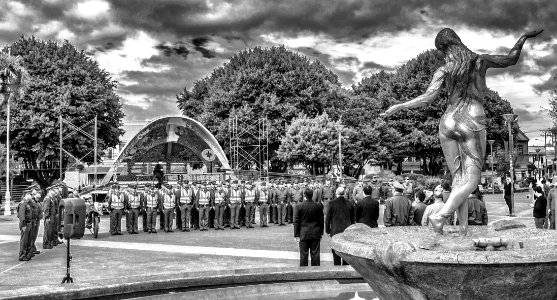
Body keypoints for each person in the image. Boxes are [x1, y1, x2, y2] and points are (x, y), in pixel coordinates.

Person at [381, 28, 543, 235]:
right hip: (472, 119)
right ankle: (441, 216)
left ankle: (464, 228)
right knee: (472, 180)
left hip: (448, 121)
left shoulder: (444, 69)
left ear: (444, 49)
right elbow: (511, 59)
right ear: (458, 41)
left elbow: (427, 98)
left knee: (458, 179)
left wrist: (400, 106)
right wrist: (524, 36)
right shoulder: (480, 61)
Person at [294, 188, 324, 267]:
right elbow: (321, 220)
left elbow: (296, 221)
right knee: (315, 254)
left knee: (303, 255)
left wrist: (296, 235)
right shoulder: (318, 205)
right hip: (315, 232)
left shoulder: (299, 206)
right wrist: (321, 233)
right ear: (312, 195)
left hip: (304, 233)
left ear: (304, 196)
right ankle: (316, 272)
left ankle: (304, 273)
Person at [325, 186, 355, 265]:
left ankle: (337, 269)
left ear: (336, 193)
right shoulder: (350, 203)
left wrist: (328, 231)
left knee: (336, 254)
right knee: (346, 254)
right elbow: (353, 219)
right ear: (344, 193)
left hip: (335, 231)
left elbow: (327, 219)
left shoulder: (331, 203)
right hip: (347, 231)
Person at [18, 191, 33, 261]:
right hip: (25, 224)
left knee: (27, 240)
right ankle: (22, 255)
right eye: (30, 195)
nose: (31, 196)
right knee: (24, 240)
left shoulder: (27, 203)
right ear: (27, 195)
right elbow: (21, 215)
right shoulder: (23, 203)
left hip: (28, 223)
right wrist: (23, 225)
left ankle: (26, 254)